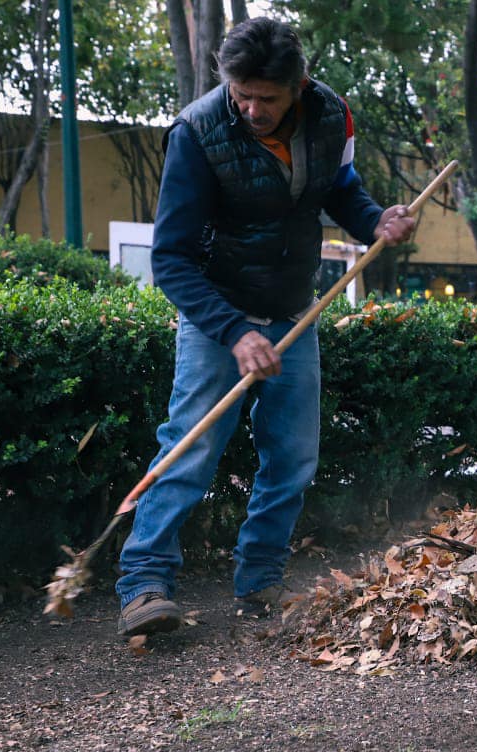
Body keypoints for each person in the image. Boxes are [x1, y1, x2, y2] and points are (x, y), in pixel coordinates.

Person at [115, 17, 416, 636]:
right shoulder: (197, 132)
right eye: (240, 94)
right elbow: (169, 257)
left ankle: (261, 583)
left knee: (293, 457)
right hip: (215, 314)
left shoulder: (332, 115)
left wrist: (374, 222)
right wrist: (233, 331)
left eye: (267, 99)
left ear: (299, 85)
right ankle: (144, 583)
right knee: (190, 448)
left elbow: (339, 190)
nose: (252, 109)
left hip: (292, 310)